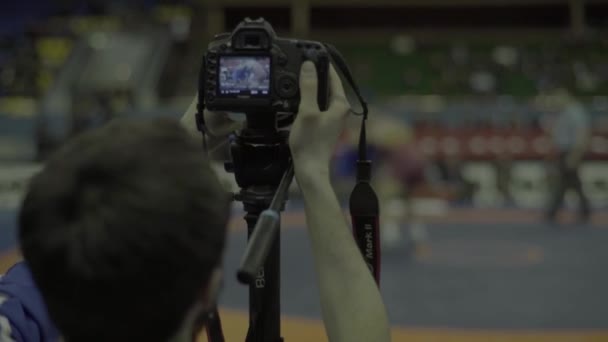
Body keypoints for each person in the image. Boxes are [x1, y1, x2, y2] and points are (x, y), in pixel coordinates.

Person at [0, 61, 391, 342]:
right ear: (209, 290)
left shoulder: (28, 306)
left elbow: (60, 259)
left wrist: (178, 149)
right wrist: (313, 176)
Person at [542, 87, 591, 223]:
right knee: (570, 182)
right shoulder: (563, 112)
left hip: (571, 151)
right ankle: (583, 209)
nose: (556, 101)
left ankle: (553, 210)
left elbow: (582, 134)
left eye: (558, 98)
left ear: (566, 96)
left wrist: (575, 155)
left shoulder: (575, 111)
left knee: (567, 182)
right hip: (564, 151)